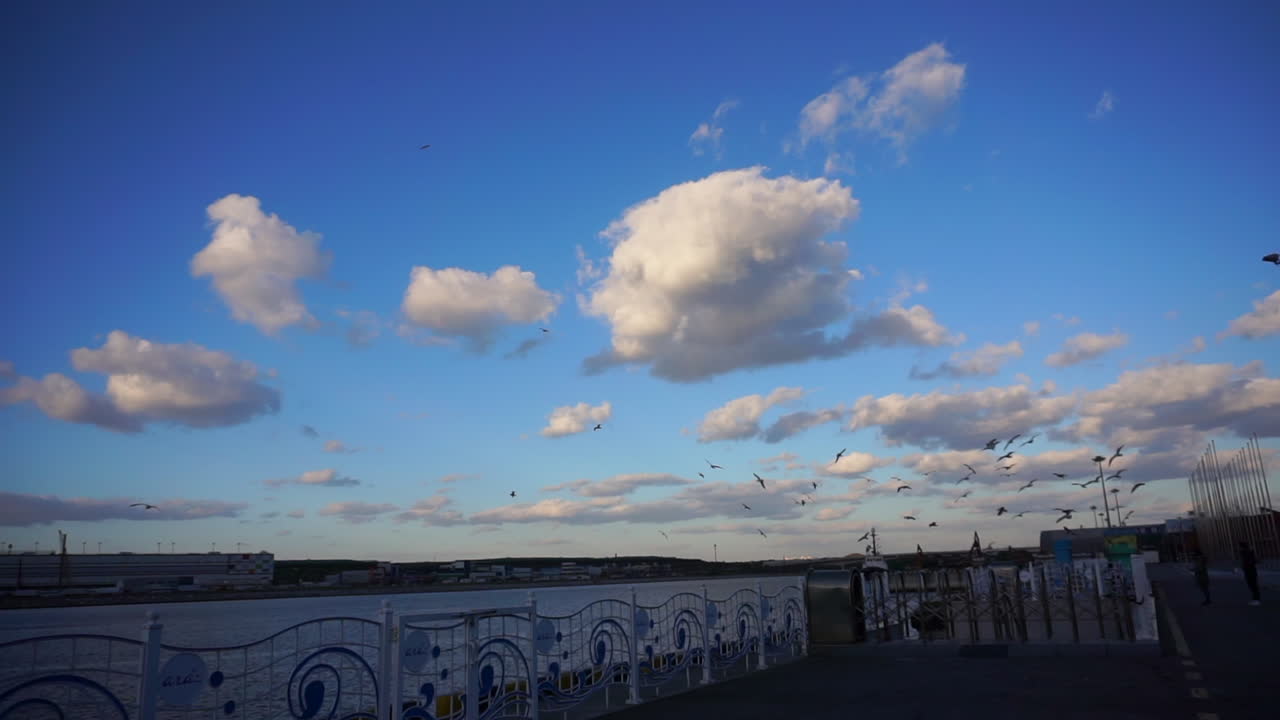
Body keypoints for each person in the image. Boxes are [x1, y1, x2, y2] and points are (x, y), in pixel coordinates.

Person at [1239, 540, 1261, 606]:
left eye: (1240, 547)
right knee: (1252, 585)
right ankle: (1255, 599)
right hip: (1249, 571)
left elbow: (1251, 561)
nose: (1239, 548)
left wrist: (1246, 565)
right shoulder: (1245, 553)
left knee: (1253, 585)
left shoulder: (1247, 553)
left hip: (1250, 571)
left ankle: (1256, 600)